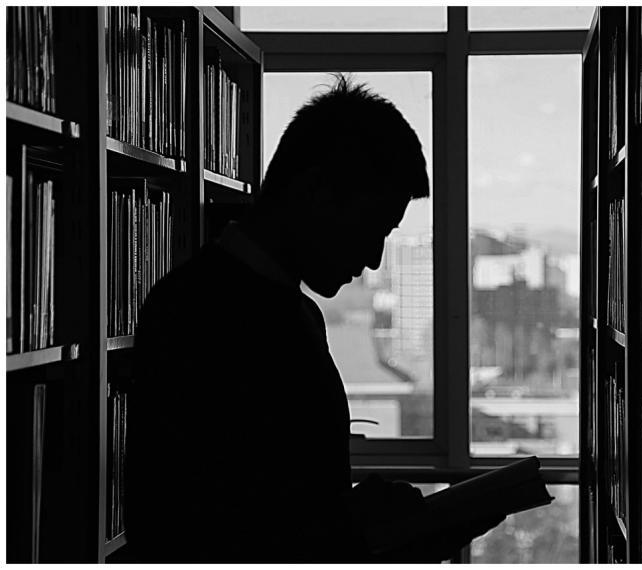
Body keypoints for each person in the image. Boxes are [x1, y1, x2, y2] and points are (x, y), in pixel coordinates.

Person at [125, 75, 502, 562]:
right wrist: (363, 524)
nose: (373, 258)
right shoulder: (196, 314)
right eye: (374, 227)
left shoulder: (270, 309)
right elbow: (185, 528)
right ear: (319, 192)